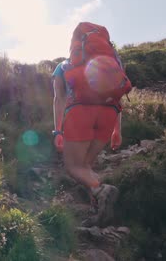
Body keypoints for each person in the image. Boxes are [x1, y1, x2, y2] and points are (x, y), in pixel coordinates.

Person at [52, 22, 130, 226]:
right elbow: (117, 96)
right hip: (108, 114)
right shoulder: (114, 63)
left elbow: (58, 100)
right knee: (85, 165)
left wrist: (58, 131)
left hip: (80, 114)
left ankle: (101, 189)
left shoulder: (64, 66)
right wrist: (117, 131)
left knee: (72, 166)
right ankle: (100, 208)